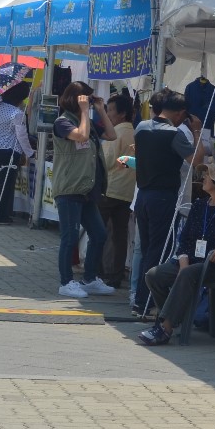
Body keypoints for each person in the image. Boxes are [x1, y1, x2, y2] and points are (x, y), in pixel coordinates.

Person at [138, 159, 215, 346]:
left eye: (208, 174)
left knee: (189, 274)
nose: (203, 177)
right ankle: (176, 315)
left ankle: (165, 328)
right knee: (154, 275)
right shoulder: (200, 206)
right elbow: (185, 240)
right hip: (193, 261)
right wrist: (183, 263)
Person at [131, 91, 200, 312]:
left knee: (146, 249)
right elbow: (197, 160)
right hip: (163, 197)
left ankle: (139, 299)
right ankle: (146, 302)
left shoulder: (141, 127)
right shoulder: (174, 134)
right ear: (181, 113)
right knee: (159, 250)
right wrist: (196, 131)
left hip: (143, 195)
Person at [52, 82, 115, 299]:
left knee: (99, 234)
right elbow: (81, 136)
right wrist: (85, 112)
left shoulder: (87, 121)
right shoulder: (62, 122)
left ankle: (89, 279)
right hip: (70, 188)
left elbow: (111, 135)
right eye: (86, 98)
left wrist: (100, 109)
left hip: (87, 189)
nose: (88, 101)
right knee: (69, 238)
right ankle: (66, 282)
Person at [97, 92, 137, 289]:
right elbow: (134, 162)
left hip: (110, 188)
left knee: (99, 231)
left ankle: (96, 272)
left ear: (122, 113)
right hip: (127, 190)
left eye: (111, 110)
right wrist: (124, 163)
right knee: (120, 235)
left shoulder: (116, 132)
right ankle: (115, 275)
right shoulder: (135, 132)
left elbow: (107, 160)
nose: (108, 113)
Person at [0, 80, 34, 225]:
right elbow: (22, 136)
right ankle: (0, 216)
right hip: (9, 151)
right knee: (5, 184)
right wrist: (30, 152)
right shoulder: (17, 113)